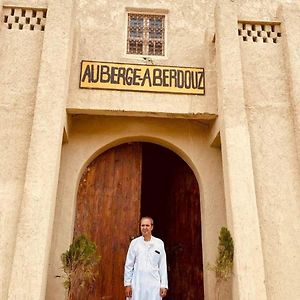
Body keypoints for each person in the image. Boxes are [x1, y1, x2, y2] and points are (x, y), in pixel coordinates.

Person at [124, 217, 168, 300]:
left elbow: (162, 266)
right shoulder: (135, 243)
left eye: (147, 225)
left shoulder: (159, 243)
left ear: (152, 227)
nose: (145, 228)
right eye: (142, 225)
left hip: (154, 285)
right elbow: (129, 265)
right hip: (137, 284)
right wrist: (127, 284)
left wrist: (163, 285)